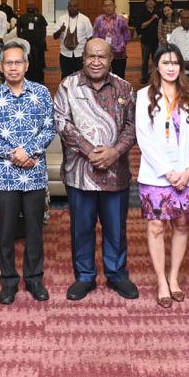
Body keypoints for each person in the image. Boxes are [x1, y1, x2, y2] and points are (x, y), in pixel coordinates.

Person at [54, 38, 138, 301]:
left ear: (111, 59)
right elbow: (62, 122)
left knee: (116, 228)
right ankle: (85, 276)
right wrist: (89, 150)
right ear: (83, 58)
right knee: (82, 228)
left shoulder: (124, 88)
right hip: (79, 173)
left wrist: (115, 151)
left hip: (115, 172)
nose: (96, 61)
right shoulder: (68, 86)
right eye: (91, 56)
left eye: (102, 57)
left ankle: (117, 274)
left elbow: (133, 126)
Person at [0, 42, 57, 305]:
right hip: (4, 175)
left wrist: (29, 152)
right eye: (8, 63)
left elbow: (49, 128)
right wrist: (13, 154)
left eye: (18, 62)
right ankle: (9, 281)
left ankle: (34, 279)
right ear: (1, 67)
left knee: (35, 230)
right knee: (6, 232)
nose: (13, 67)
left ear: (26, 65)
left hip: (34, 173)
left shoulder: (41, 92)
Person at [135, 43, 189, 308]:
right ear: (157, 66)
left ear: (181, 66)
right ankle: (161, 281)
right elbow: (144, 137)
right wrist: (167, 171)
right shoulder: (144, 95)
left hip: (186, 174)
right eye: (165, 63)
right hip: (155, 175)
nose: (171, 68)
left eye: (175, 63)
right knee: (156, 226)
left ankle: (174, 278)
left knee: (182, 224)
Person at [52, 0, 93, 79]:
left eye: (74, 6)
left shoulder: (85, 19)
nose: (72, 8)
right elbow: (55, 36)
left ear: (78, 7)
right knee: (66, 77)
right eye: (70, 6)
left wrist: (89, 53)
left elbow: (90, 37)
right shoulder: (61, 19)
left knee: (81, 77)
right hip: (65, 54)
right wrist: (60, 30)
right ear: (67, 7)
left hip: (80, 54)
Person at [93, 0, 132, 79]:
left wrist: (121, 45)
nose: (108, 7)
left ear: (115, 6)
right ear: (103, 8)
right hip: (103, 53)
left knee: (119, 76)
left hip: (119, 54)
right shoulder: (98, 20)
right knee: (103, 76)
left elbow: (127, 35)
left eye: (110, 5)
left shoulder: (121, 19)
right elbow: (95, 36)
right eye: (106, 6)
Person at [14, 1, 48, 85]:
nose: (30, 7)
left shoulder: (40, 17)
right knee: (26, 62)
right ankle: (27, 79)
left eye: (32, 5)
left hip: (38, 45)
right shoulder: (22, 17)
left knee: (39, 63)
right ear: (26, 6)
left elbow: (44, 30)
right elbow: (18, 30)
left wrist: (41, 41)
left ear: (35, 6)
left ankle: (40, 80)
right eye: (29, 5)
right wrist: (22, 41)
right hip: (26, 46)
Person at [133, 0, 161, 80]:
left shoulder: (158, 12)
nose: (150, 2)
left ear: (155, 3)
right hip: (145, 41)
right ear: (145, 3)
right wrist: (152, 19)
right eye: (148, 1)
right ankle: (144, 77)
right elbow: (142, 26)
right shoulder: (142, 13)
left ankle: (155, 77)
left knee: (156, 60)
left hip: (156, 40)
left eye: (152, 1)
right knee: (145, 61)